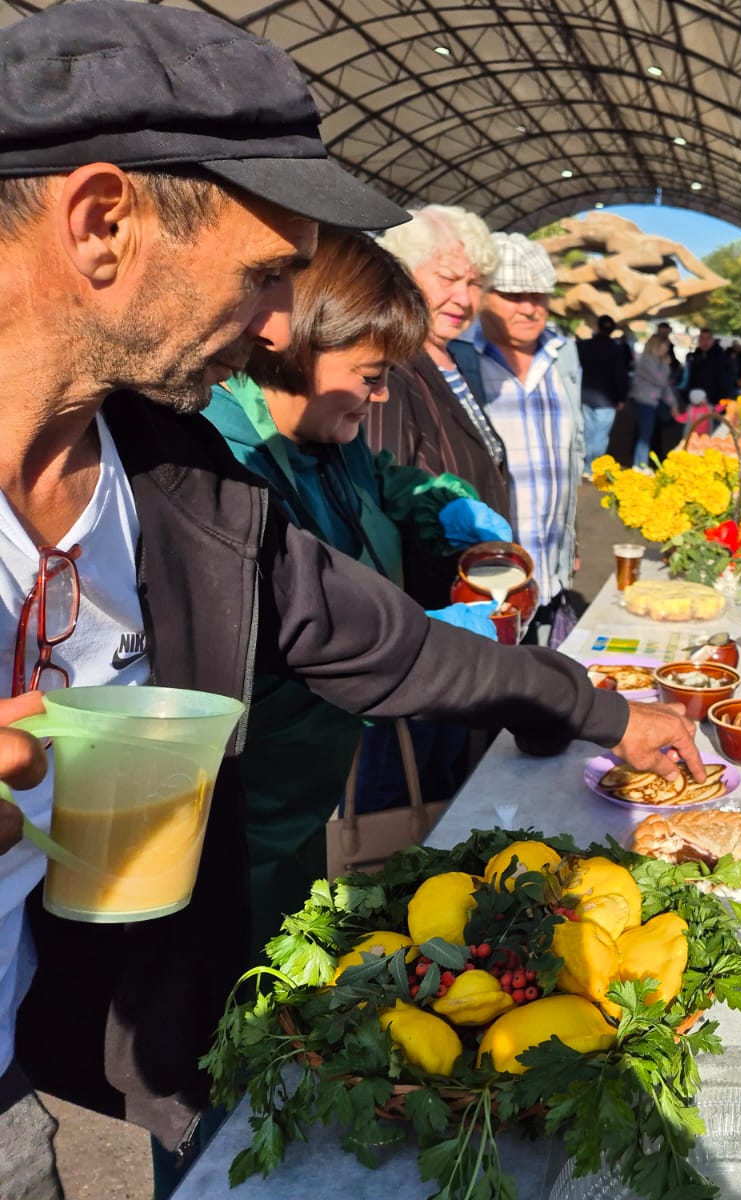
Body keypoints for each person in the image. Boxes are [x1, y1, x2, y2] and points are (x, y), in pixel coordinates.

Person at [0, 4, 702, 1191]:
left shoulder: (174, 483)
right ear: (103, 221)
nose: (281, 328)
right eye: (266, 274)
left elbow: (384, 642)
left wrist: (587, 705)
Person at [202, 229, 508, 944]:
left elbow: (385, 484)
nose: (377, 399)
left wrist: (442, 508)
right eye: (369, 376)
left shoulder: (323, 438)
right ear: (299, 345)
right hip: (252, 817)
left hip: (312, 796)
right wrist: (418, 646)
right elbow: (282, 632)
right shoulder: (223, 461)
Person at [370, 205, 510, 605]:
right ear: (401, 272)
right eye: (448, 278)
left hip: (483, 586)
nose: (463, 298)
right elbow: (383, 488)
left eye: (477, 283)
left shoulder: (453, 359)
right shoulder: (391, 367)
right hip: (436, 599)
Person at [472, 234, 586, 641]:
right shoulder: (458, 358)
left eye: (539, 295)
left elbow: (572, 453)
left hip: (552, 570)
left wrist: (571, 542)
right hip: (488, 578)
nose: (529, 307)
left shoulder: (563, 354)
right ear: (482, 294)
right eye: (512, 294)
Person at [578, 314, 631, 470]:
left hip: (585, 396)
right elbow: (621, 376)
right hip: (607, 399)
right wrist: (621, 398)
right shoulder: (616, 350)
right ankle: (594, 467)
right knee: (600, 435)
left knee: (587, 432)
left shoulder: (585, 346)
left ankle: (585, 466)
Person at [630, 331, 679, 466]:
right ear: (657, 346)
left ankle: (641, 463)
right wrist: (666, 365)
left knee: (647, 434)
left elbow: (665, 387)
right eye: (665, 346)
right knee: (645, 436)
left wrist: (673, 403)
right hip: (643, 402)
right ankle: (640, 464)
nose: (667, 349)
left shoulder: (656, 361)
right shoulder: (647, 360)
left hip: (651, 402)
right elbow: (661, 380)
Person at [685, 328, 735, 403]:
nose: (705, 342)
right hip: (697, 399)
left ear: (712, 340)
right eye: (702, 339)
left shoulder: (720, 357)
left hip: (714, 401)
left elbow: (725, 381)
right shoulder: (696, 356)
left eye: (708, 338)